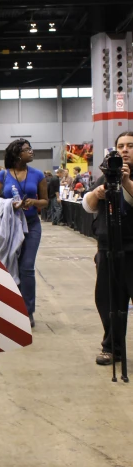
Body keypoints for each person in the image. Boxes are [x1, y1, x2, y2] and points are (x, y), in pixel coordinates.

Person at [82, 131, 133, 366]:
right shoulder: (106, 173)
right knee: (108, 301)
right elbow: (88, 206)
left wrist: (126, 182)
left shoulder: (125, 177)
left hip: (131, 247)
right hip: (107, 247)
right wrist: (96, 193)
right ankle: (112, 348)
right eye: (121, 145)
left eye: (130, 146)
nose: (124, 150)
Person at [0, 140, 48, 327]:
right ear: (17, 154)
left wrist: (34, 202)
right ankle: (11, 308)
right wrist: (9, 204)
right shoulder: (3, 175)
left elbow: (46, 201)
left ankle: (27, 311)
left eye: (31, 148)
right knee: (10, 265)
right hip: (11, 225)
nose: (31, 152)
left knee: (26, 267)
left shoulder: (38, 175)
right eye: (27, 150)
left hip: (32, 225)